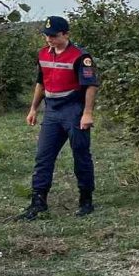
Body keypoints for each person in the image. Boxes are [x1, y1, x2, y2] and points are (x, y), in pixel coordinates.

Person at [19, 15, 100, 220]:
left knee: (80, 154)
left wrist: (87, 113)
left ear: (65, 34)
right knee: (43, 156)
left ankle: (86, 199)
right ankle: (38, 201)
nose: (49, 40)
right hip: (52, 110)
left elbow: (91, 85)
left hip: (73, 109)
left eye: (53, 36)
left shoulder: (81, 56)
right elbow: (41, 83)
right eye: (47, 36)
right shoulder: (43, 54)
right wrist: (33, 109)